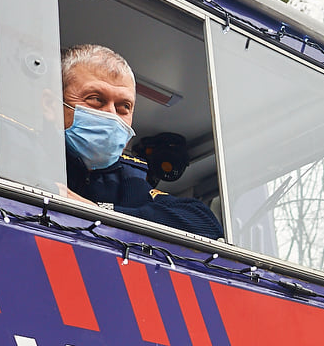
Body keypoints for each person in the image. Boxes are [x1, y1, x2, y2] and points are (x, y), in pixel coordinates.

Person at [60, 45, 223, 239]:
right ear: (52, 104)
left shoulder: (131, 183)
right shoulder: (27, 158)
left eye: (123, 107)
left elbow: (206, 224)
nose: (112, 115)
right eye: (95, 99)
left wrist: (101, 212)